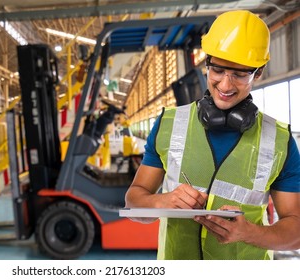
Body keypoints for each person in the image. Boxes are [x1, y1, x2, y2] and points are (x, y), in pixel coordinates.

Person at [124, 10, 300, 260]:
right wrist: (161, 202)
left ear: (258, 73)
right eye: (217, 70)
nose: (226, 85)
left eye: (239, 74)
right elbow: (133, 201)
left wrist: (249, 233)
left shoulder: (279, 141)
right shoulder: (169, 124)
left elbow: (296, 230)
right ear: (206, 63)